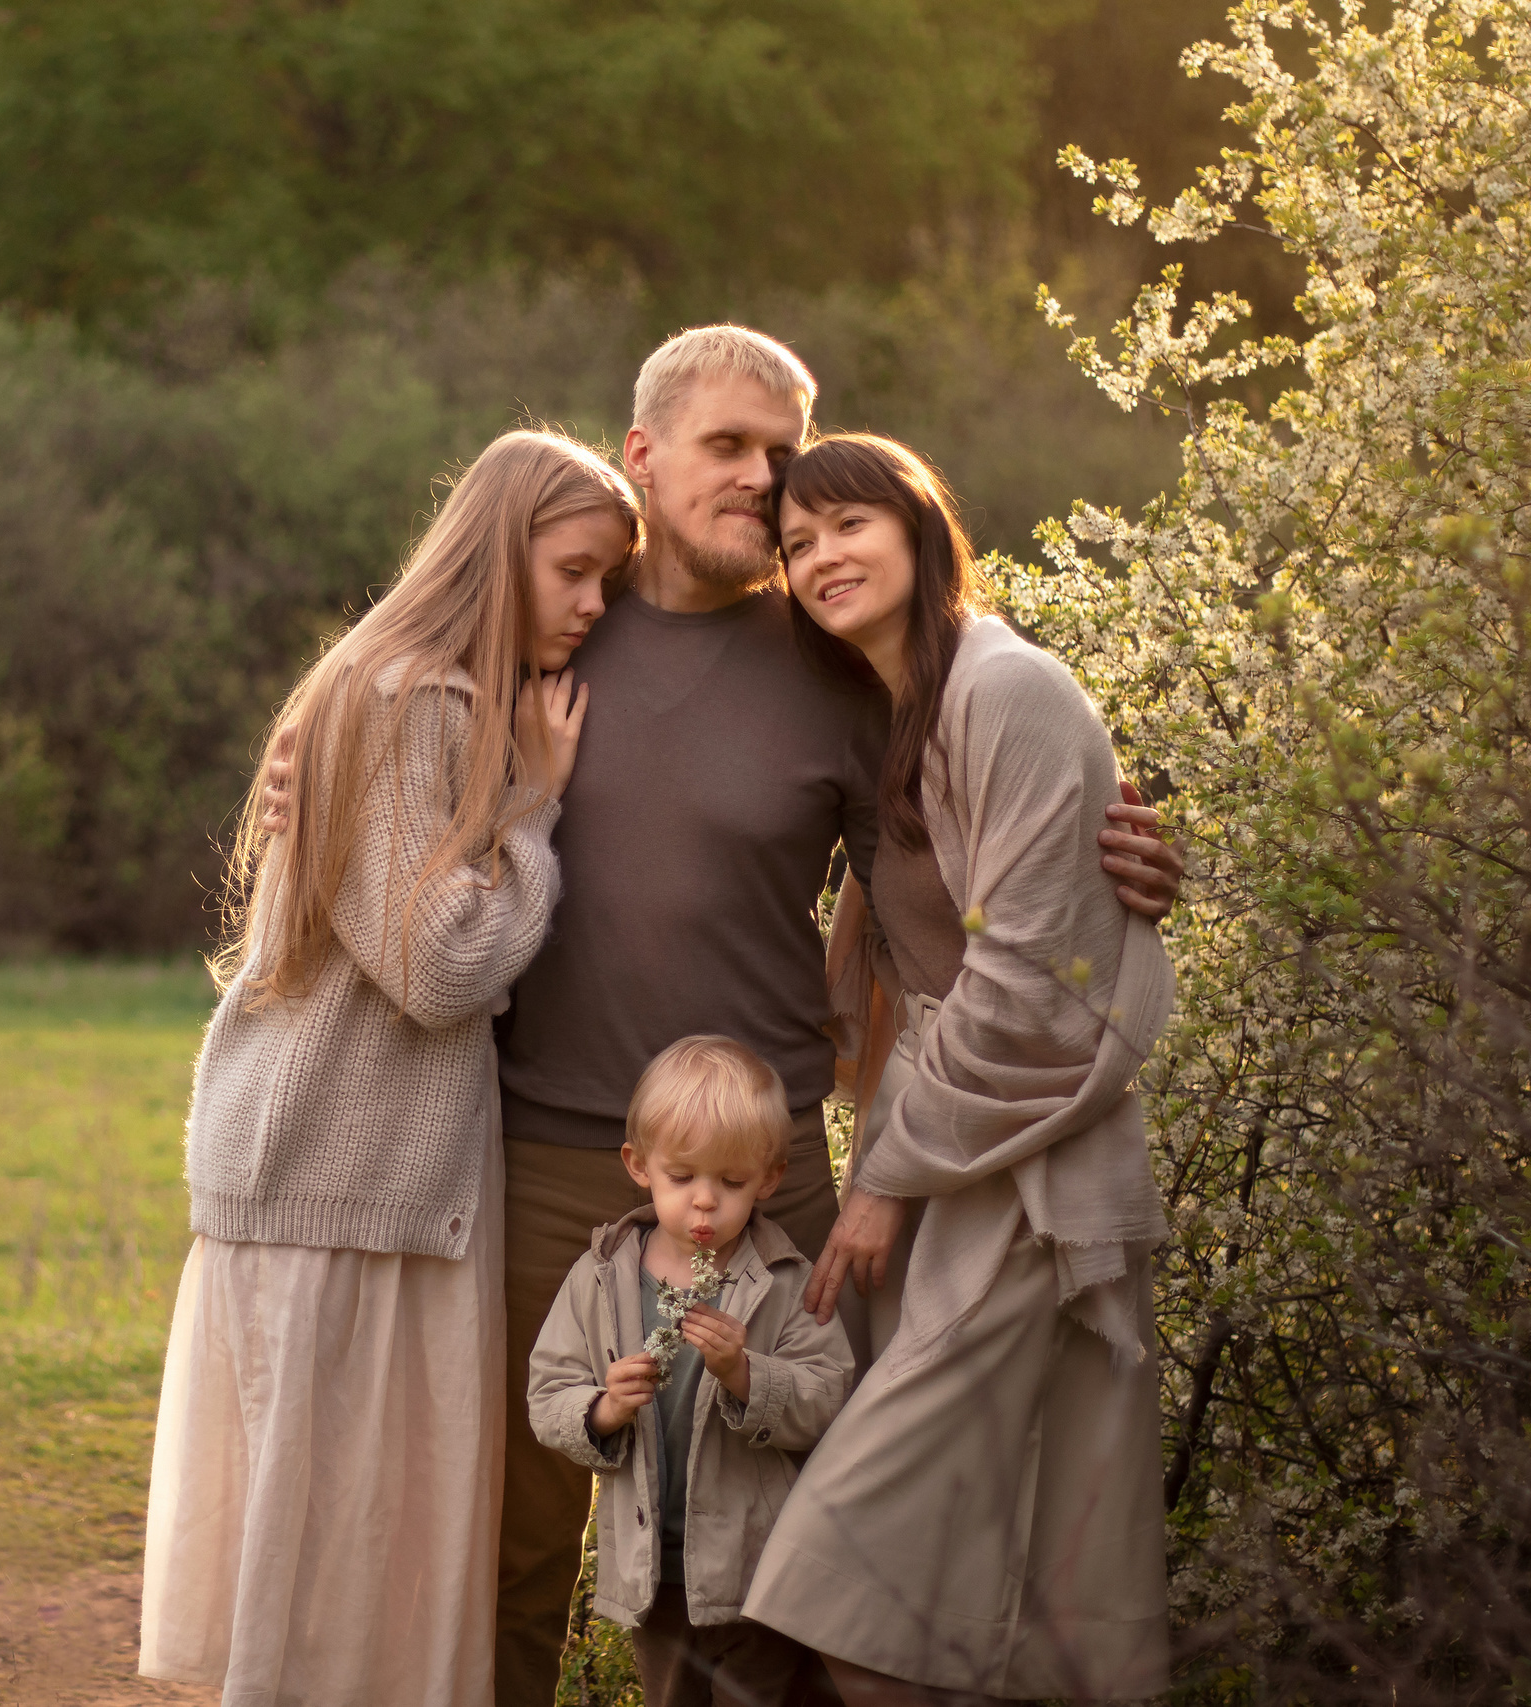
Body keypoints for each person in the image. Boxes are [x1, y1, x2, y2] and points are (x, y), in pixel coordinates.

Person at [252, 325, 1187, 1704]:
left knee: (746, 1562)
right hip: (536, 1157)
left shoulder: (833, 654)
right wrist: (301, 763)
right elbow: (389, 712)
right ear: (644, 454)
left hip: (773, 1165)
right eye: (729, 445)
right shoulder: (552, 616)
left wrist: (1135, 872)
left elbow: (954, 880)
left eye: (784, 452)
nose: (762, 477)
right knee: (507, 1547)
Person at [139, 430, 642, 1707]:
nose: (592, 607)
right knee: (334, 1596)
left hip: (351, 1190)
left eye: (608, 584)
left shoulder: (382, 687)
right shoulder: (416, 701)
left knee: (331, 1583)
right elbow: (441, 971)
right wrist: (533, 805)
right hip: (341, 1188)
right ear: (497, 545)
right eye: (575, 571)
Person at [743, 434, 1176, 1704]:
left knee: (845, 1557)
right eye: (795, 546)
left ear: (919, 525)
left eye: (844, 527)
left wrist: (880, 1178)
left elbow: (1034, 980)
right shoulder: (899, 709)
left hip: (1018, 1172)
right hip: (950, 1155)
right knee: (990, 1556)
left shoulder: (1004, 688)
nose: (819, 557)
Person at [526, 1036, 854, 1707]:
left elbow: (827, 1396)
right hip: (654, 1573)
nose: (705, 1203)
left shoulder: (781, 1281)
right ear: (639, 1165)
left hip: (754, 1569)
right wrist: (603, 1409)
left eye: (731, 1183)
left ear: (768, 1179)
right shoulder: (601, 1277)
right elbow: (547, 1394)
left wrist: (746, 1375)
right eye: (684, 1177)